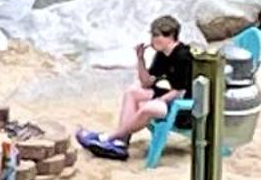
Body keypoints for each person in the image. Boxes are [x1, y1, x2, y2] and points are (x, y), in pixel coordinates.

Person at [77, 15, 194, 160]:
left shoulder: (183, 56)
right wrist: (140, 59)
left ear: (170, 36)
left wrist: (159, 101)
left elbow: (179, 91)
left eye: (157, 36)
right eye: (152, 35)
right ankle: (121, 141)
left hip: (185, 107)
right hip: (173, 98)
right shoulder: (162, 54)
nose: (152, 40)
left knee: (149, 108)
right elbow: (146, 82)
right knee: (133, 92)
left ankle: (108, 137)